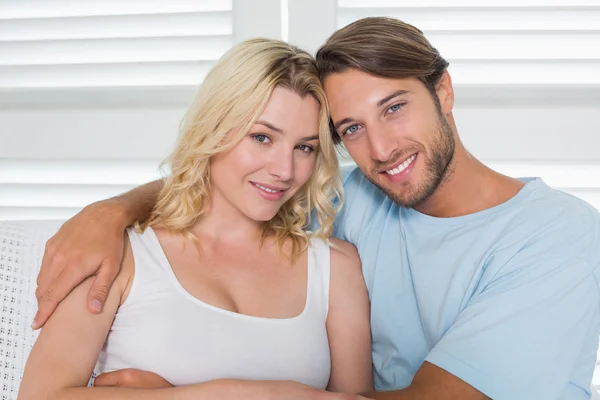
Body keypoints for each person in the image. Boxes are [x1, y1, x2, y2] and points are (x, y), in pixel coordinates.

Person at [32, 17, 600, 400]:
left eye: (395, 107)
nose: (380, 149)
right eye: (351, 128)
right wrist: (109, 211)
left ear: (443, 92)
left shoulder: (559, 238)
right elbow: (229, 188)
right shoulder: (352, 200)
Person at [18, 38, 374, 400]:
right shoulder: (121, 255)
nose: (284, 170)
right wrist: (233, 393)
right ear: (213, 130)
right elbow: (39, 395)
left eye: (304, 148)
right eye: (262, 137)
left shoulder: (336, 267)